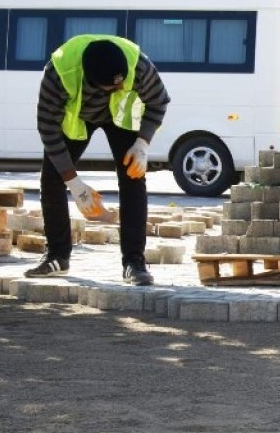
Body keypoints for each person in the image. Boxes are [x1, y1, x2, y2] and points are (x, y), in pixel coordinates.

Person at [25, 34, 171, 286]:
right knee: (52, 179)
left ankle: (134, 262)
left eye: (122, 83)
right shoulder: (59, 73)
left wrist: (142, 144)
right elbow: (48, 128)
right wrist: (75, 184)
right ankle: (57, 256)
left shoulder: (139, 66)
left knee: (133, 177)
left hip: (120, 118)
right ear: (90, 81)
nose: (119, 88)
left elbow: (158, 101)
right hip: (79, 118)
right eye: (112, 87)